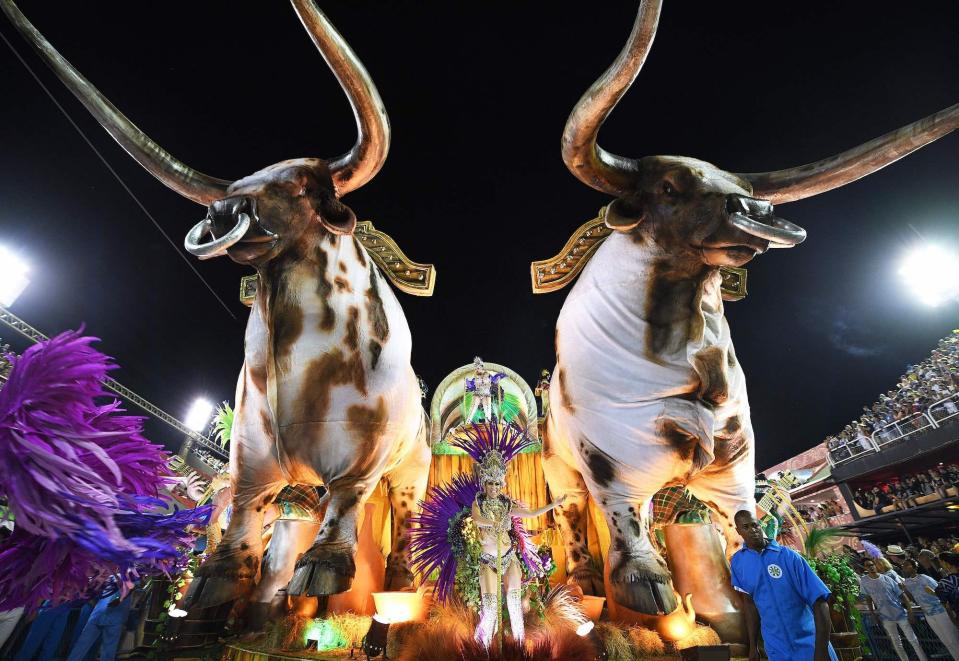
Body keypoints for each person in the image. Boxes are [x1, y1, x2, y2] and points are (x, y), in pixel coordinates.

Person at [730, 510, 837, 661]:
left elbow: (820, 603)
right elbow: (749, 604)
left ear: (760, 525)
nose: (752, 530)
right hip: (777, 650)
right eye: (746, 527)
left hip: (809, 645)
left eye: (755, 525)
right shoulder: (738, 562)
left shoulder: (789, 557)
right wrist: (753, 647)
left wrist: (821, 651)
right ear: (738, 531)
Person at [859, 558, 928, 661]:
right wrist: (873, 614)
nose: (871, 567)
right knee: (896, 642)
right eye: (868, 565)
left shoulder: (887, 578)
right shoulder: (864, 581)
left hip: (899, 613)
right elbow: (868, 598)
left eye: (872, 564)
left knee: (913, 639)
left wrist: (910, 612)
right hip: (885, 616)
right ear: (865, 568)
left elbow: (902, 595)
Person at [900, 559, 959, 658]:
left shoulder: (925, 578)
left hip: (941, 612)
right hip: (929, 615)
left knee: (953, 640)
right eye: (903, 565)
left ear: (914, 566)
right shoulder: (907, 582)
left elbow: (942, 593)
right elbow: (912, 598)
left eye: (907, 565)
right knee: (946, 642)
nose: (904, 567)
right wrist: (904, 590)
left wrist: (932, 592)